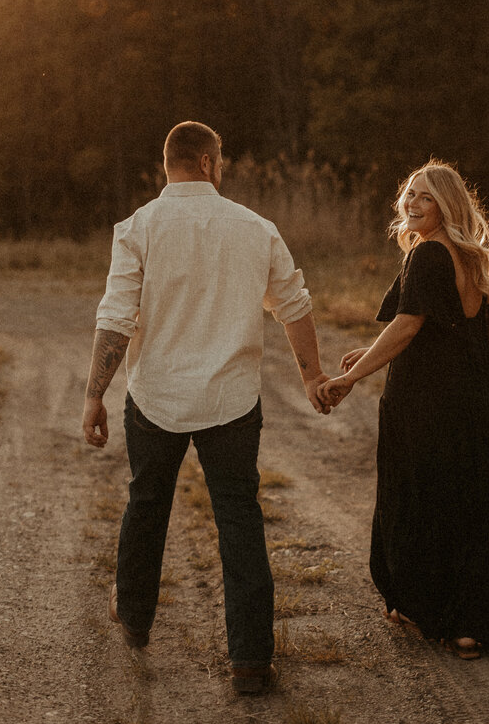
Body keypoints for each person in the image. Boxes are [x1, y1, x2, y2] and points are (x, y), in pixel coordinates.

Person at [82, 121, 331, 695]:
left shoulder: (138, 227)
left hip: (156, 398)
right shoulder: (255, 228)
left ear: (167, 163)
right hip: (231, 399)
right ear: (207, 163)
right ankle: (250, 661)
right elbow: (293, 305)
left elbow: (116, 318)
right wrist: (313, 376)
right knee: (240, 521)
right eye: (219, 162)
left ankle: (138, 619)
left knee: (147, 504)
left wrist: (95, 394)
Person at [320, 160, 489, 660]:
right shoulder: (465, 255)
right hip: (474, 401)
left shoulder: (429, 253)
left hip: (430, 405)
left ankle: (427, 605)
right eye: (409, 193)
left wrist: (349, 378)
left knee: (425, 500)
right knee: (469, 505)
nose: (410, 203)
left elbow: (409, 326)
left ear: (445, 205)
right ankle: (471, 626)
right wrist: (368, 352)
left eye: (424, 197)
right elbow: (439, 327)